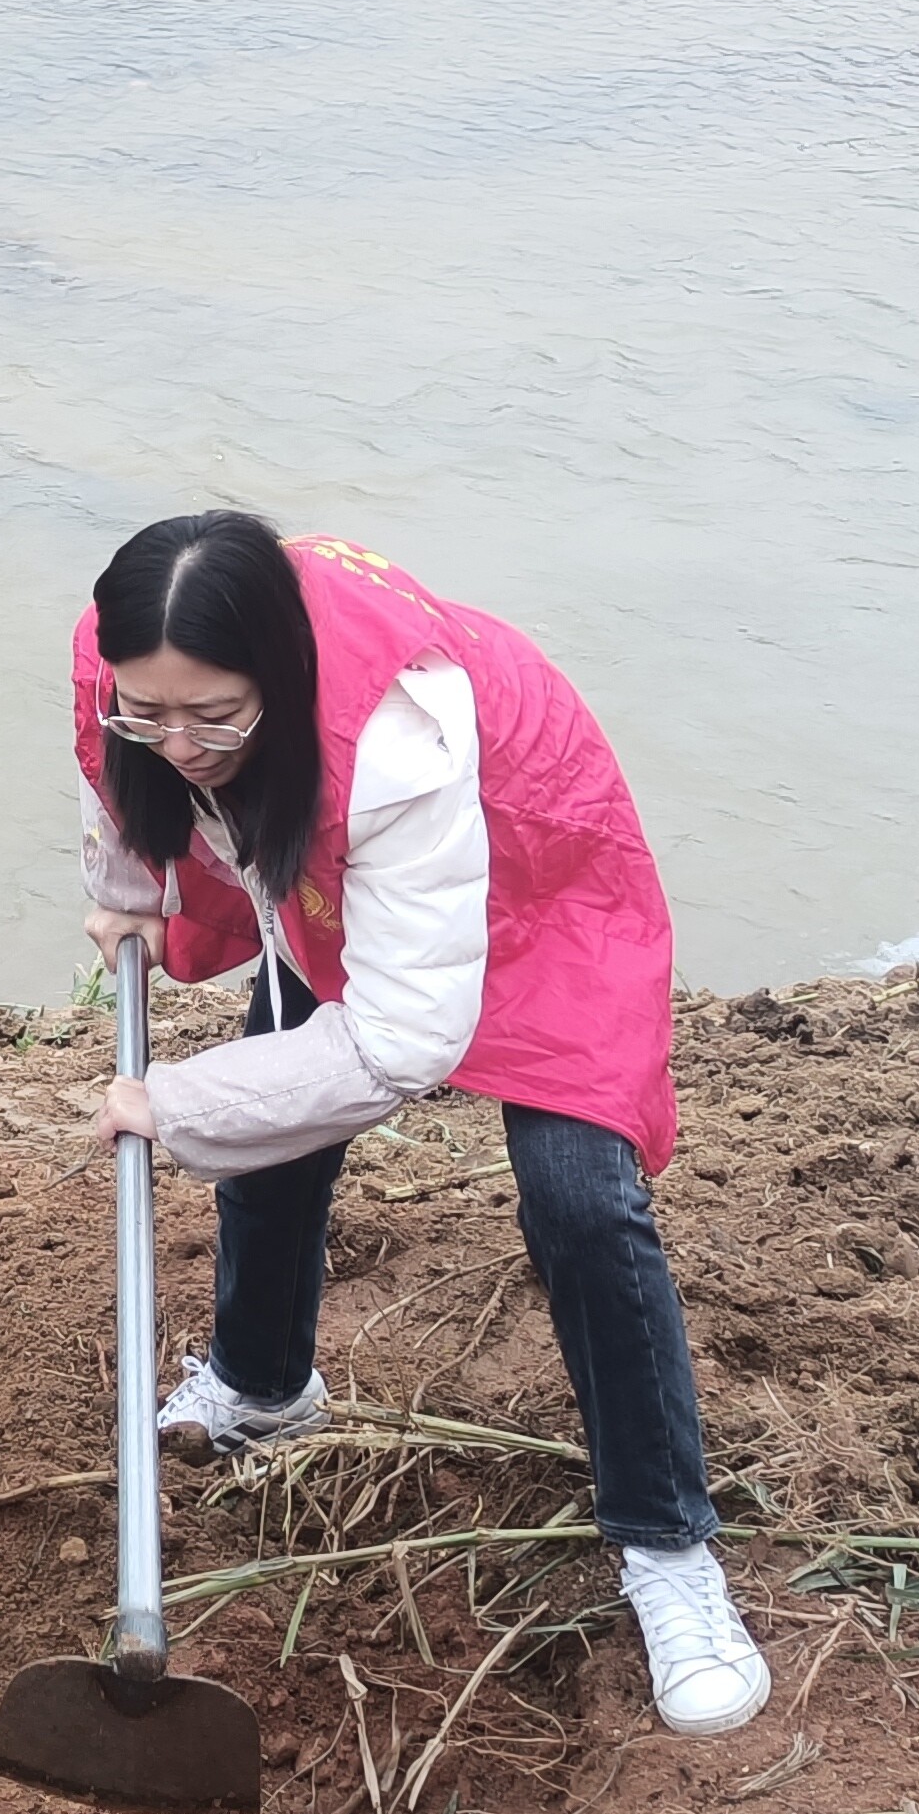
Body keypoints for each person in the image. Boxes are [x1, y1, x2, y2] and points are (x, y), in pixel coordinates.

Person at [66, 512, 770, 1738]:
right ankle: (265, 1385)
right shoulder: (129, 662)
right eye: (150, 712)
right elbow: (115, 772)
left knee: (580, 1197)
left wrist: (172, 1101)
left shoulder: (396, 741)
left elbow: (399, 1044)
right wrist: (129, 895)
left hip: (534, 862)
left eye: (213, 717)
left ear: (279, 677)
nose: (176, 744)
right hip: (347, 851)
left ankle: (668, 1548)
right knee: (281, 1088)